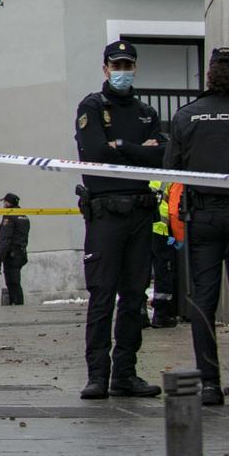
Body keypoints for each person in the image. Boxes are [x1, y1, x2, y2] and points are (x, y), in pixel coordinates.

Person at [74, 38, 163, 400]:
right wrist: (139, 151)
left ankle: (125, 374)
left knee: (134, 295)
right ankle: (97, 374)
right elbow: (95, 152)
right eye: (117, 66)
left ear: (135, 68)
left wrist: (121, 148)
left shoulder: (146, 113)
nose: (123, 72)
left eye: (128, 66)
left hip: (140, 212)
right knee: (102, 296)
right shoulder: (92, 106)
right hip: (105, 212)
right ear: (105, 69)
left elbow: (162, 158)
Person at [164, 46, 229, 406]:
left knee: (204, 301)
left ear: (209, 72)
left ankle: (209, 384)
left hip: (203, 217)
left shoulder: (187, 115)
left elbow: (170, 170)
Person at [148, 180, 180, 328]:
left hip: (141, 229)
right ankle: (162, 314)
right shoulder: (169, 178)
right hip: (162, 231)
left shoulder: (143, 175)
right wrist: (179, 240)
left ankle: (139, 312)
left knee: (139, 269)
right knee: (163, 270)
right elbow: (174, 210)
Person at [0, 193, 29, 306]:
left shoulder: (9, 216)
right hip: (21, 252)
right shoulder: (23, 215)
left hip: (11, 254)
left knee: (12, 282)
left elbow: (5, 240)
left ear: (8, 203)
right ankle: (17, 304)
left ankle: (16, 305)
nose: (3, 205)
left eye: (4, 202)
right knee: (16, 281)